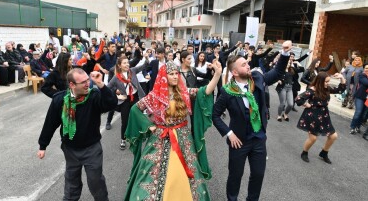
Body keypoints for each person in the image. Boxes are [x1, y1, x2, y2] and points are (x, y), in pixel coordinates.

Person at [124, 59, 222, 200]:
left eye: (176, 73)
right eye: (171, 74)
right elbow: (135, 110)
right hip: (161, 136)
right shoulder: (154, 95)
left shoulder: (184, 92)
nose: (176, 76)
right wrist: (149, 125)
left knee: (185, 173)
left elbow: (204, 91)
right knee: (153, 175)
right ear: (164, 76)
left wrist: (217, 74)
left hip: (183, 137)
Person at [212, 40, 292, 201]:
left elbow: (276, 73)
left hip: (258, 138)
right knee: (235, 175)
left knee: (258, 174)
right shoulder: (227, 92)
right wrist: (229, 133)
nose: (248, 65)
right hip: (239, 141)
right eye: (243, 64)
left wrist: (284, 53)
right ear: (234, 72)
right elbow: (215, 114)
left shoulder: (257, 79)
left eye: (247, 62)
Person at [37, 69, 118, 201]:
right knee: (71, 181)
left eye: (88, 80)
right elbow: (50, 123)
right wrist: (43, 146)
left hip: (92, 149)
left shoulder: (94, 96)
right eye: (83, 82)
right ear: (72, 85)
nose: (88, 84)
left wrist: (101, 84)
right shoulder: (60, 99)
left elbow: (112, 103)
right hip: (70, 150)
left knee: (95, 181)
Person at [296, 72, 346, 164]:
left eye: (328, 81)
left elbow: (340, 90)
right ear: (320, 81)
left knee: (333, 136)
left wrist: (342, 78)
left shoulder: (327, 89)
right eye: (326, 82)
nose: (328, 83)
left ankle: (324, 153)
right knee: (313, 138)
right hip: (312, 116)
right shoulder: (312, 90)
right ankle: (304, 152)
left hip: (324, 115)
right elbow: (298, 98)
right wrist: (305, 104)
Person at [108, 55, 149, 150]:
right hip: (125, 100)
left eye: (128, 62)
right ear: (119, 65)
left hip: (135, 98)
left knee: (138, 117)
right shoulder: (116, 77)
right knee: (125, 121)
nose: (127, 64)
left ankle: (137, 136)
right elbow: (107, 88)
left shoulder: (133, 70)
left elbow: (144, 65)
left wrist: (146, 58)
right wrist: (117, 94)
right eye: (124, 63)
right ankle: (123, 139)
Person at [349, 63, 368, 136]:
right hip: (359, 97)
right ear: (364, 69)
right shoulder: (362, 76)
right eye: (366, 68)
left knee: (363, 114)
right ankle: (352, 127)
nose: (367, 70)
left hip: (366, 99)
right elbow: (366, 83)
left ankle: (358, 126)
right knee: (358, 112)